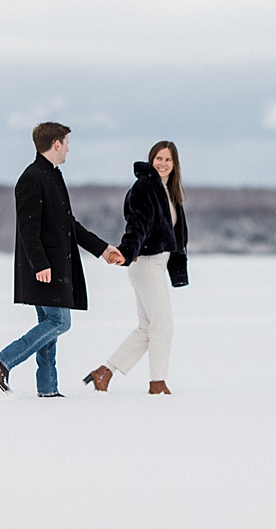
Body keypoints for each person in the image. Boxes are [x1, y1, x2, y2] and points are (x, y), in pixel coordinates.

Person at [0, 122, 124, 397]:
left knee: (49, 326)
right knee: (59, 322)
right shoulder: (32, 178)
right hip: (44, 267)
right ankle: (2, 360)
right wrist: (40, 264)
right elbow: (27, 228)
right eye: (67, 143)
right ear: (56, 143)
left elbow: (69, 225)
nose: (69, 148)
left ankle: (47, 388)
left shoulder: (53, 176)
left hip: (55, 266)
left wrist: (102, 249)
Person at [84, 141, 189, 395]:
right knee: (163, 324)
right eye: (159, 158)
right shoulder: (145, 188)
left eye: (168, 160)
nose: (163, 164)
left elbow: (176, 235)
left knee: (147, 327)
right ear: (151, 160)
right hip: (146, 263)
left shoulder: (169, 191)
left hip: (156, 264)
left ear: (175, 165)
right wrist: (127, 251)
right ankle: (157, 383)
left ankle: (104, 372)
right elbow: (137, 224)